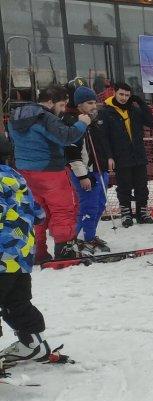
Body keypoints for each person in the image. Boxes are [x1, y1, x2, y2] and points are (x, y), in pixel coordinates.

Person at [8, 86, 89, 261]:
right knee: (63, 209)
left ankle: (37, 251)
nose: (62, 110)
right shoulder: (45, 117)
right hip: (51, 171)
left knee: (36, 211)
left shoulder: (16, 115)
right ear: (50, 101)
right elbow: (66, 137)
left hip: (24, 171)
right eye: (61, 105)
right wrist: (82, 123)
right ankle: (64, 248)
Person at [0, 163, 57, 363]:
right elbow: (38, 214)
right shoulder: (14, 175)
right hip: (21, 255)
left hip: (2, 254)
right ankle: (31, 343)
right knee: (16, 301)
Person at [96, 82, 153, 227]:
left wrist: (141, 103)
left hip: (138, 155)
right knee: (124, 186)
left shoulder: (134, 109)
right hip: (120, 156)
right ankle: (126, 213)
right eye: (121, 94)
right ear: (115, 93)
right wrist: (109, 156)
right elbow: (103, 137)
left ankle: (142, 212)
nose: (124, 98)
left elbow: (150, 122)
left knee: (142, 186)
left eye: (127, 95)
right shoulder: (106, 111)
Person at [63, 86, 112, 255]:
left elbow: (102, 144)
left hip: (100, 169)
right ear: (79, 105)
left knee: (99, 205)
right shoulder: (75, 123)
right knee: (88, 207)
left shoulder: (95, 121)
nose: (94, 106)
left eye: (95, 102)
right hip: (86, 172)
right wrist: (82, 175)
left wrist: (108, 159)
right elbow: (72, 152)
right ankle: (76, 238)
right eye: (89, 103)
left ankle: (89, 235)